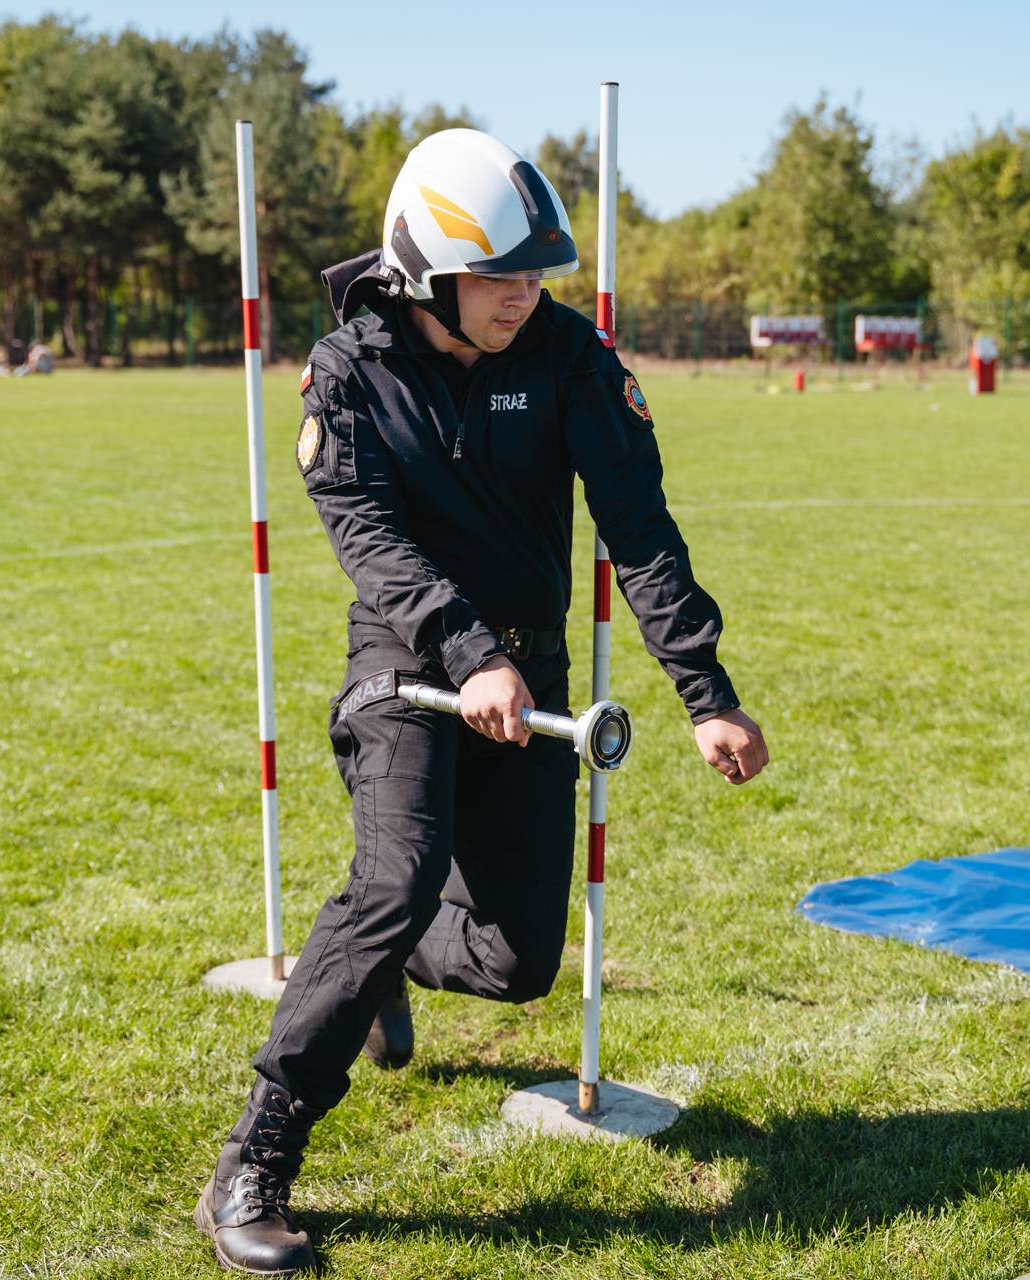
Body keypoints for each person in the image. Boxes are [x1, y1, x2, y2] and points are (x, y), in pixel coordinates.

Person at [194, 128, 768, 1277]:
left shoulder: (566, 353)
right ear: (425, 272)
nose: (525, 295)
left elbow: (638, 524)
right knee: (396, 875)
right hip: (404, 663)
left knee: (518, 963)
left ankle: (377, 964)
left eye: (536, 273)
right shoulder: (347, 369)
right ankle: (254, 1160)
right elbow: (372, 540)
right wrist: (466, 655)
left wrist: (706, 691)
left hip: (533, 677)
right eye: (499, 276)